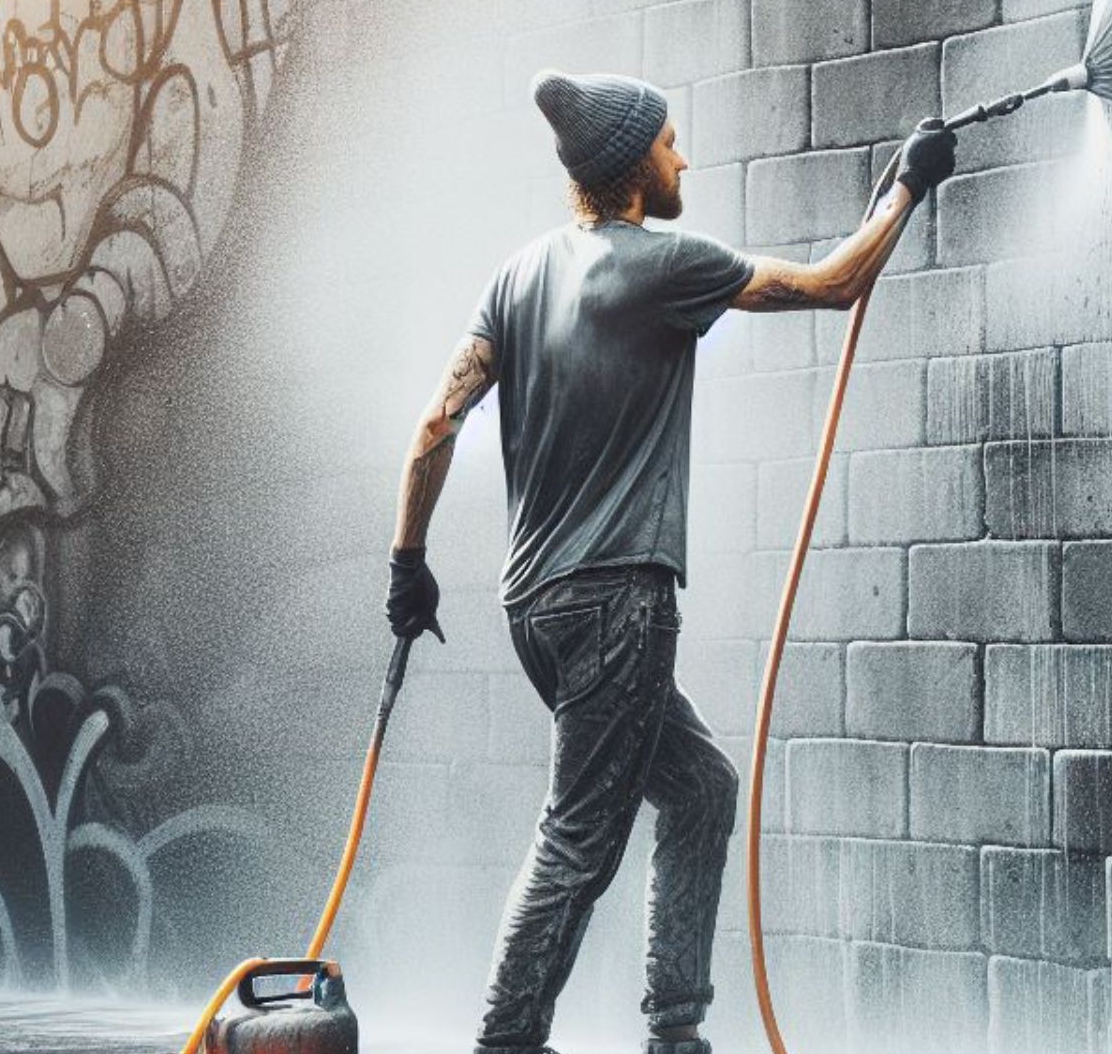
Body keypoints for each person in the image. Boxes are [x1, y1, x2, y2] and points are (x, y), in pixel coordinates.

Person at [381, 71, 955, 1054]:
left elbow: (437, 420)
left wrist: (409, 562)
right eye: (672, 142)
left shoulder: (517, 276)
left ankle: (674, 1033)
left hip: (539, 613)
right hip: (617, 606)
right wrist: (909, 186)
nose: (684, 156)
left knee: (700, 789)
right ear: (634, 163)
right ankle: (505, 1043)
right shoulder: (660, 265)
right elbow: (834, 285)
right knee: (578, 839)